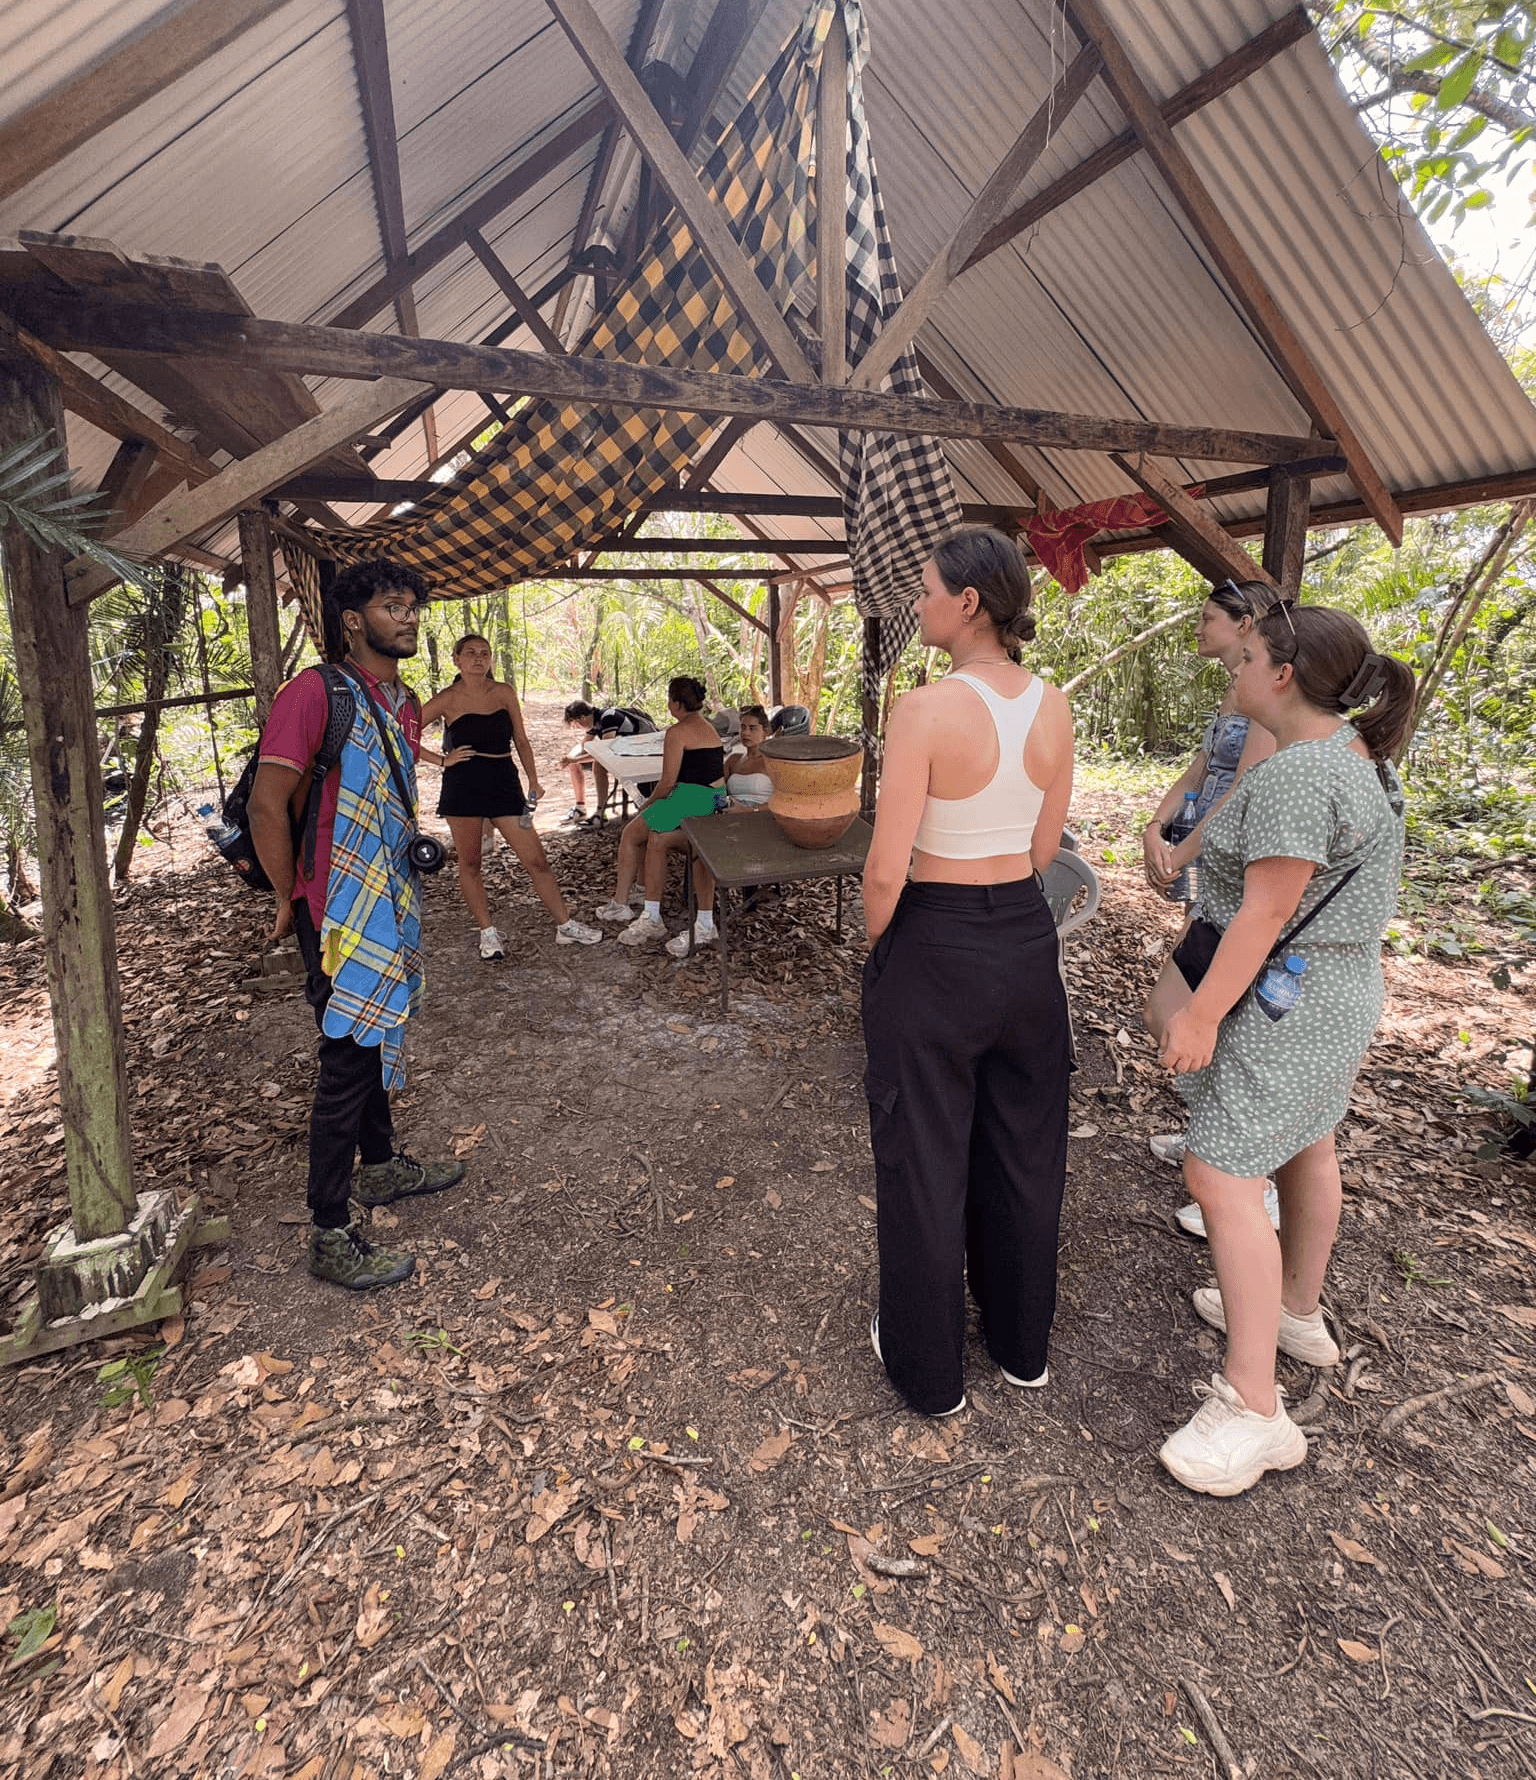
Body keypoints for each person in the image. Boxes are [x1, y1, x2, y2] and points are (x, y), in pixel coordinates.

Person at [1152, 602, 1410, 1496]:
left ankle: (1254, 1408)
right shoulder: (1357, 753)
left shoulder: (1300, 774)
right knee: (1307, 1144)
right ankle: (1295, 1310)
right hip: (1334, 992)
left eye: (1247, 654)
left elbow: (1264, 914)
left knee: (1220, 1177)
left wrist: (1199, 1015)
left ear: (1283, 675)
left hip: (1284, 1002)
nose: (1235, 665)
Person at [860, 528, 1075, 1417]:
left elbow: (885, 869)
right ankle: (1022, 1347)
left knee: (923, 1151)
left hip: (937, 937)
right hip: (1026, 939)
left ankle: (930, 1371)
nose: (916, 605)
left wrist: (881, 953)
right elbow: (1044, 848)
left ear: (969, 602)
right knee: (1025, 1146)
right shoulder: (1055, 706)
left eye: (924, 591)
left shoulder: (923, 710)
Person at [249, 561, 465, 1291]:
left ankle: (378, 1168)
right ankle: (329, 1231)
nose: (408, 618)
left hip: (388, 896)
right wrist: (289, 896)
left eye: (413, 607)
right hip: (334, 909)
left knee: (372, 1036)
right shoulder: (314, 694)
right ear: (352, 620)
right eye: (392, 606)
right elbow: (267, 803)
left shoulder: (401, 701)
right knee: (346, 1060)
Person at [1142, 579, 1279, 1234]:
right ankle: (1210, 1135)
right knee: (1180, 1006)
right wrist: (1155, 826)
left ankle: (1250, 1178)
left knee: (1213, 1011)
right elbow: (1199, 773)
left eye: (1207, 618)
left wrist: (1182, 848)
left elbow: (1242, 791)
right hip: (1209, 863)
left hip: (1239, 867)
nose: (1197, 628)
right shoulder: (1232, 691)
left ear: (1245, 623)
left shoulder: (1268, 702)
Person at [420, 637, 601, 958]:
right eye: (470, 653)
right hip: (463, 785)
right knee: (471, 862)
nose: (478, 658)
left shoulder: (503, 692)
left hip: (504, 782)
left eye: (484, 653)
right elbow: (401, 731)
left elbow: (521, 738)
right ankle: (487, 933)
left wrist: (534, 780)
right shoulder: (447, 698)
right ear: (456, 659)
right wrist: (442, 760)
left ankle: (565, 925)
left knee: (536, 860)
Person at [593, 675, 725, 952]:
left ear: (676, 703)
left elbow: (665, 784)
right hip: (711, 798)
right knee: (654, 837)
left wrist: (647, 804)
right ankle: (644, 903)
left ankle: (625, 904)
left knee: (632, 833)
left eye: (669, 700)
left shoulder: (677, 732)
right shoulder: (708, 726)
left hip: (692, 799)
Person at [560, 699, 656, 826]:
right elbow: (584, 746)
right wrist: (570, 758)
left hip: (640, 755)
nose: (576, 728)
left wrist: (576, 759)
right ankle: (580, 808)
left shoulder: (608, 718)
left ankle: (600, 813)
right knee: (575, 763)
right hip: (625, 753)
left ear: (582, 718)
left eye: (575, 725)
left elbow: (604, 752)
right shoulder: (594, 721)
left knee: (598, 763)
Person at [725, 704, 774, 808]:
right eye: (743, 727)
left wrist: (750, 810)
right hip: (732, 814)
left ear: (765, 732)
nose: (745, 733)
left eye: (752, 728)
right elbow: (717, 789)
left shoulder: (772, 762)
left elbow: (785, 800)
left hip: (760, 814)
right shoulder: (733, 760)